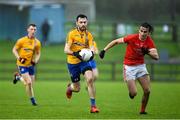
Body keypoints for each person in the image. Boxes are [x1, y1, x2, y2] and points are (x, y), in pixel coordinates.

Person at [99, 22, 159, 114]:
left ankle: (142, 110)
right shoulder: (132, 38)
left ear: (148, 33)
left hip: (141, 66)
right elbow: (116, 41)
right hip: (129, 67)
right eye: (141, 31)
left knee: (147, 91)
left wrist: (147, 51)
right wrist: (104, 50)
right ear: (139, 30)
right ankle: (131, 92)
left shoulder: (149, 41)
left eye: (145, 32)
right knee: (133, 93)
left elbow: (156, 57)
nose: (143, 33)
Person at [64, 14, 99, 113]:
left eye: (85, 22)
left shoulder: (89, 35)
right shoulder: (71, 34)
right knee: (77, 88)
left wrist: (91, 53)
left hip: (84, 62)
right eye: (81, 22)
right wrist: (76, 53)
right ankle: (70, 88)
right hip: (72, 63)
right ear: (77, 23)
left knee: (90, 79)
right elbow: (66, 49)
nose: (83, 24)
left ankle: (93, 106)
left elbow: (92, 47)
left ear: (87, 23)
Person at [12, 24, 41, 106]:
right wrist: (19, 58)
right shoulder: (21, 40)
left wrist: (36, 60)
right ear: (28, 30)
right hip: (22, 64)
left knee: (30, 84)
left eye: (35, 29)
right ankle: (33, 101)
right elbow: (14, 50)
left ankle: (18, 77)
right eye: (31, 29)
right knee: (29, 83)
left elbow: (38, 53)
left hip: (31, 65)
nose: (33, 31)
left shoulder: (37, 42)